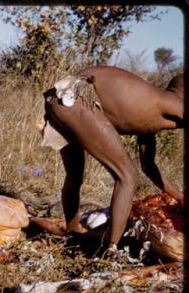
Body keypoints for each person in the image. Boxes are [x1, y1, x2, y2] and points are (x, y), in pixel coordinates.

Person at [40, 66, 184, 254]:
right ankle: (111, 249)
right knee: (127, 176)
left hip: (60, 95)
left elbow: (148, 166)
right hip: (79, 97)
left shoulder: (150, 105)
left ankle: (73, 233)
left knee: (75, 176)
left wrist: (179, 197)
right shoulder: (174, 102)